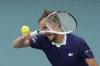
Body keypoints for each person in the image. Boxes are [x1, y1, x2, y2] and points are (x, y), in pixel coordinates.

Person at [12, 10, 98, 66]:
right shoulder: (42, 39)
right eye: (42, 29)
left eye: (45, 28)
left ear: (56, 25)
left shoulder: (78, 42)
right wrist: (22, 38)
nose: (44, 32)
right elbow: (15, 45)